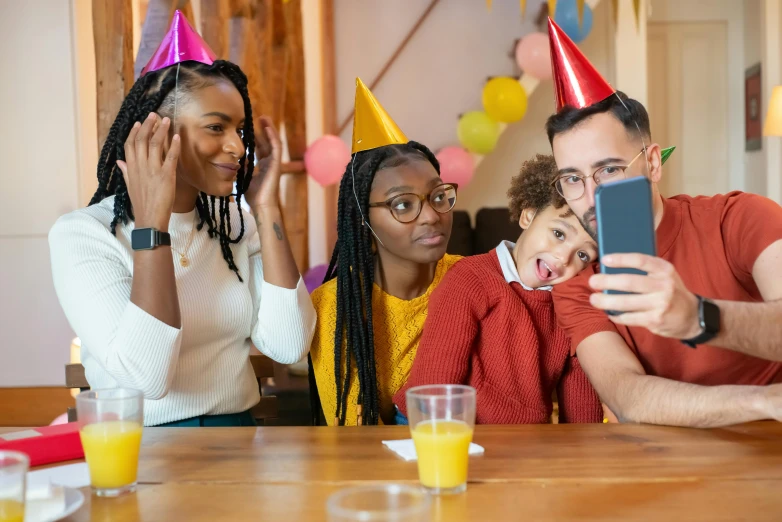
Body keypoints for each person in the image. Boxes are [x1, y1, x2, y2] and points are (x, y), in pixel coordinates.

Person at [49, 12, 315, 427]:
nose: (236, 147)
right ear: (159, 131)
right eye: (215, 127)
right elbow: (145, 378)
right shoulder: (84, 234)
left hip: (239, 442)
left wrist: (266, 208)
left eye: (240, 130)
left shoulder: (237, 223)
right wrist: (152, 227)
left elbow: (290, 344)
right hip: (138, 452)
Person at [545, 17, 782, 427]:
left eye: (609, 170)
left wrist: (700, 317)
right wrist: (763, 404)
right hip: (672, 456)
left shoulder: (741, 217)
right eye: (572, 179)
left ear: (652, 162)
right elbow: (628, 398)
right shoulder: (577, 280)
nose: (590, 196)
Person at [394, 154, 602, 424]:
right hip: (433, 423)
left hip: (519, 440)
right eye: (559, 234)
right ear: (528, 216)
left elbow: (582, 415)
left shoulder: (571, 310)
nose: (563, 257)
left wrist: (586, 457)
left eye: (583, 255)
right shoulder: (471, 279)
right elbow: (435, 384)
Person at [309, 79, 460, 426]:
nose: (432, 216)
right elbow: (351, 433)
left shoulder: (475, 281)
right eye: (403, 204)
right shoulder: (335, 306)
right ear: (363, 220)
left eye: (439, 196)